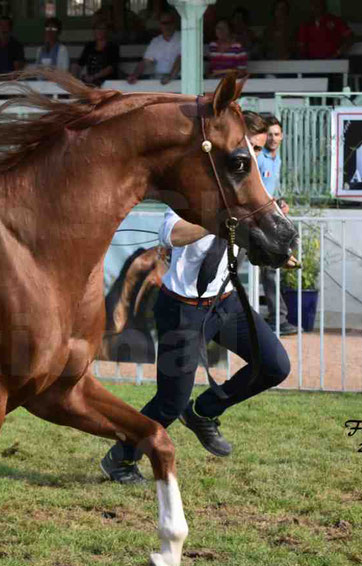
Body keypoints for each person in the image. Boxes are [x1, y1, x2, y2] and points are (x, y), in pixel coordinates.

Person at [98, 128, 293, 484]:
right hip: (182, 311)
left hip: (226, 303)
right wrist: (221, 219)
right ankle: (120, 458)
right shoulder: (197, 196)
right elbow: (172, 234)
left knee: (275, 365)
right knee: (169, 403)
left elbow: (255, 239)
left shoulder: (246, 199)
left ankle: (204, 411)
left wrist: (280, 253)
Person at [254, 114, 297, 335]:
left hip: (266, 220)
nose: (273, 138)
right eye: (269, 134)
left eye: (276, 134)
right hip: (252, 220)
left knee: (271, 268)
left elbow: (268, 191)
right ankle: (276, 318)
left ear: (282, 136)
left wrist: (279, 203)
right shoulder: (260, 158)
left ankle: (277, 318)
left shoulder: (276, 159)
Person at [127, 11, 181, 85]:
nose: (167, 26)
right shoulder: (155, 41)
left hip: (179, 78)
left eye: (170, 22)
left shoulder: (182, 37)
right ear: (160, 25)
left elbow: (181, 59)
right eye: (164, 23)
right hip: (159, 78)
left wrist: (171, 76)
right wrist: (135, 75)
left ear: (174, 23)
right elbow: (146, 61)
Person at [74, 20, 120, 86]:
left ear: (107, 31)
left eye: (102, 29)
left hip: (108, 83)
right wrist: (75, 80)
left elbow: (110, 68)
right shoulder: (89, 46)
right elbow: (80, 64)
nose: (99, 31)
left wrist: (93, 77)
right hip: (90, 82)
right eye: (97, 28)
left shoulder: (113, 46)